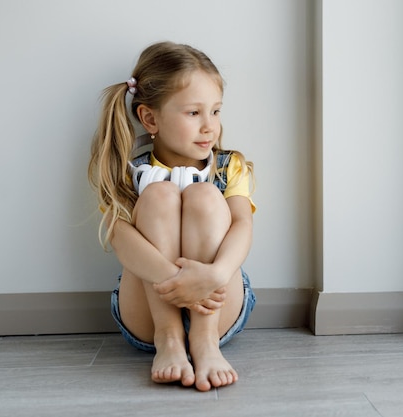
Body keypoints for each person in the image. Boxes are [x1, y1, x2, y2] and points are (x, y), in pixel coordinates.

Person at [88, 41, 256, 392]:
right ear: (150, 118)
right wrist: (177, 283)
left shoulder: (230, 166)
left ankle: (205, 342)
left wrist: (213, 276)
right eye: (194, 113)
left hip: (216, 300)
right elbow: (120, 239)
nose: (209, 126)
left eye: (216, 111)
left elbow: (242, 225)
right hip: (148, 313)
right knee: (159, 194)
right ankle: (169, 339)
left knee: (205, 195)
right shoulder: (126, 172)